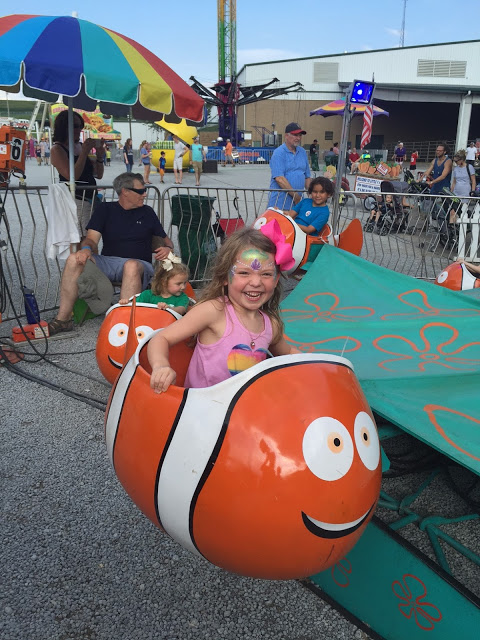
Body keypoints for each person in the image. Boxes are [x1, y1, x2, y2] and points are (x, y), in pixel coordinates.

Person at [147, 226, 299, 393]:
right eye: (244, 273)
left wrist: (315, 365)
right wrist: (161, 366)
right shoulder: (214, 311)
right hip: (201, 406)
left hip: (244, 407)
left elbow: (291, 353)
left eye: (266, 274)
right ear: (225, 277)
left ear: (276, 279)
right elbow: (161, 338)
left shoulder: (270, 324)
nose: (256, 282)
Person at [47, 172, 174, 335]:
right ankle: (63, 320)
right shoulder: (105, 209)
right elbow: (91, 239)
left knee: (131, 265)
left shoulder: (147, 212)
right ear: (125, 191)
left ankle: (124, 324)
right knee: (73, 259)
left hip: (140, 264)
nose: (145, 194)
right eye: (141, 191)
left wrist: (167, 248)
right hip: (109, 262)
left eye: (145, 190)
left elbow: (168, 242)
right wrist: (86, 250)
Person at [50, 110, 105, 238]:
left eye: (80, 126)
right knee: (79, 238)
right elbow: (71, 176)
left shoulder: (80, 146)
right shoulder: (57, 149)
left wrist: (99, 156)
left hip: (90, 196)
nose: (79, 129)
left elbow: (98, 174)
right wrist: (84, 152)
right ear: (64, 127)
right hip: (75, 198)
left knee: (93, 236)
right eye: (75, 126)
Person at [120, 253, 190, 315]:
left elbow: (181, 310)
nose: (183, 287)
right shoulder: (147, 295)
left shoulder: (183, 297)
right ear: (164, 282)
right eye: (178, 284)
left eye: (184, 283)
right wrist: (126, 302)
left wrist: (170, 309)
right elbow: (134, 306)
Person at [267, 122, 311, 210]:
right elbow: (279, 178)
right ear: (286, 136)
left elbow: (307, 177)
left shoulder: (302, 152)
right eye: (295, 135)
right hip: (279, 203)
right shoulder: (279, 153)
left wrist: (311, 194)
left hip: (297, 204)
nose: (298, 138)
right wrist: (295, 196)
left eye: (300, 135)